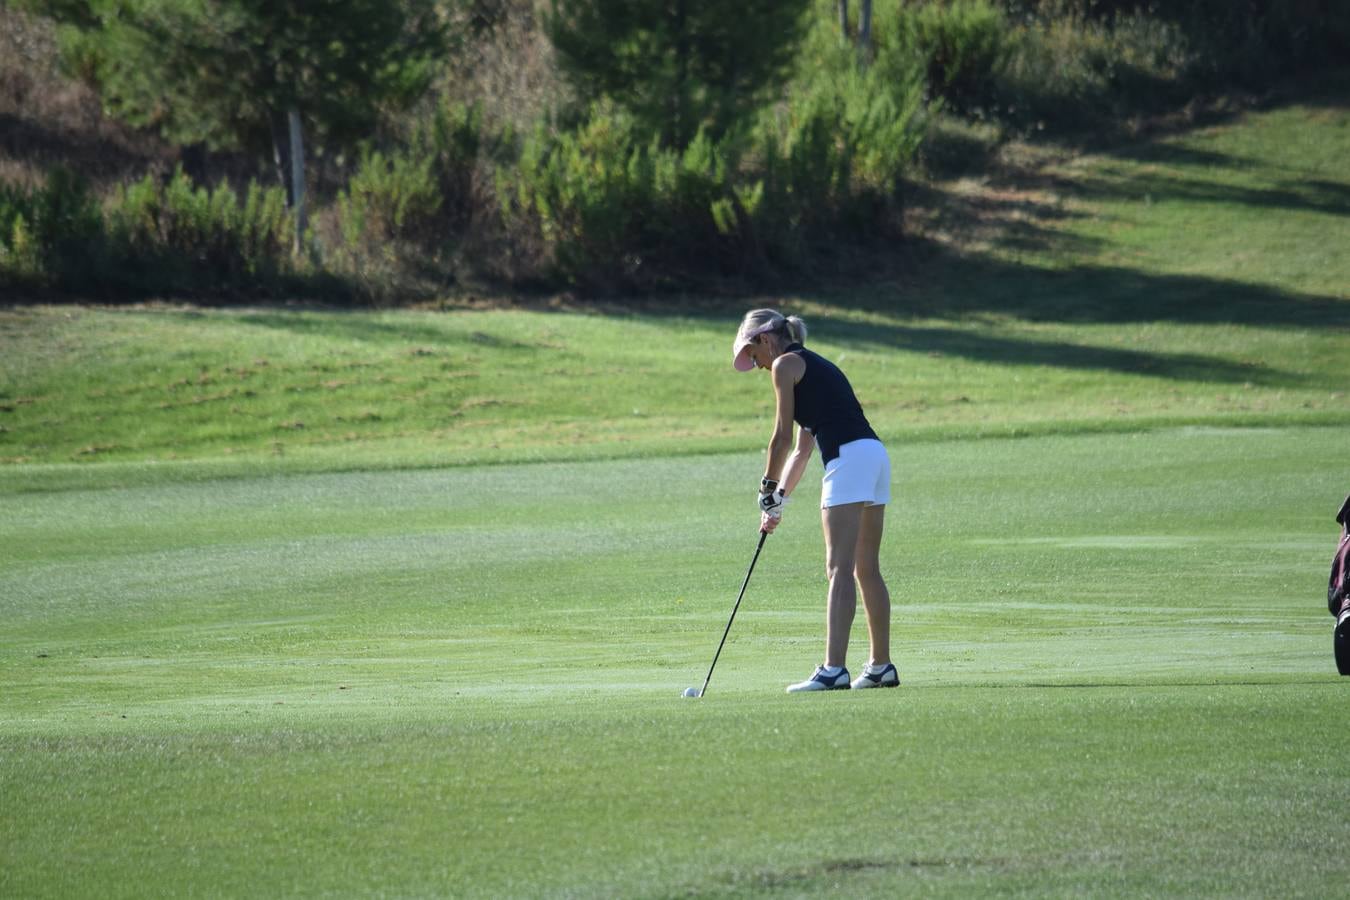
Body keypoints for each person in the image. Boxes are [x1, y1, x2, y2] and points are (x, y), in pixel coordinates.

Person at [732, 309, 898, 693]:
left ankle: (833, 669)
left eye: (753, 355)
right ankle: (880, 666)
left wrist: (764, 487)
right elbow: (802, 452)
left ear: (765, 340)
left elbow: (780, 439)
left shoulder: (785, 365)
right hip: (873, 456)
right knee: (865, 568)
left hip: (848, 458)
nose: (757, 366)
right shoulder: (815, 366)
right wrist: (778, 501)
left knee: (838, 567)